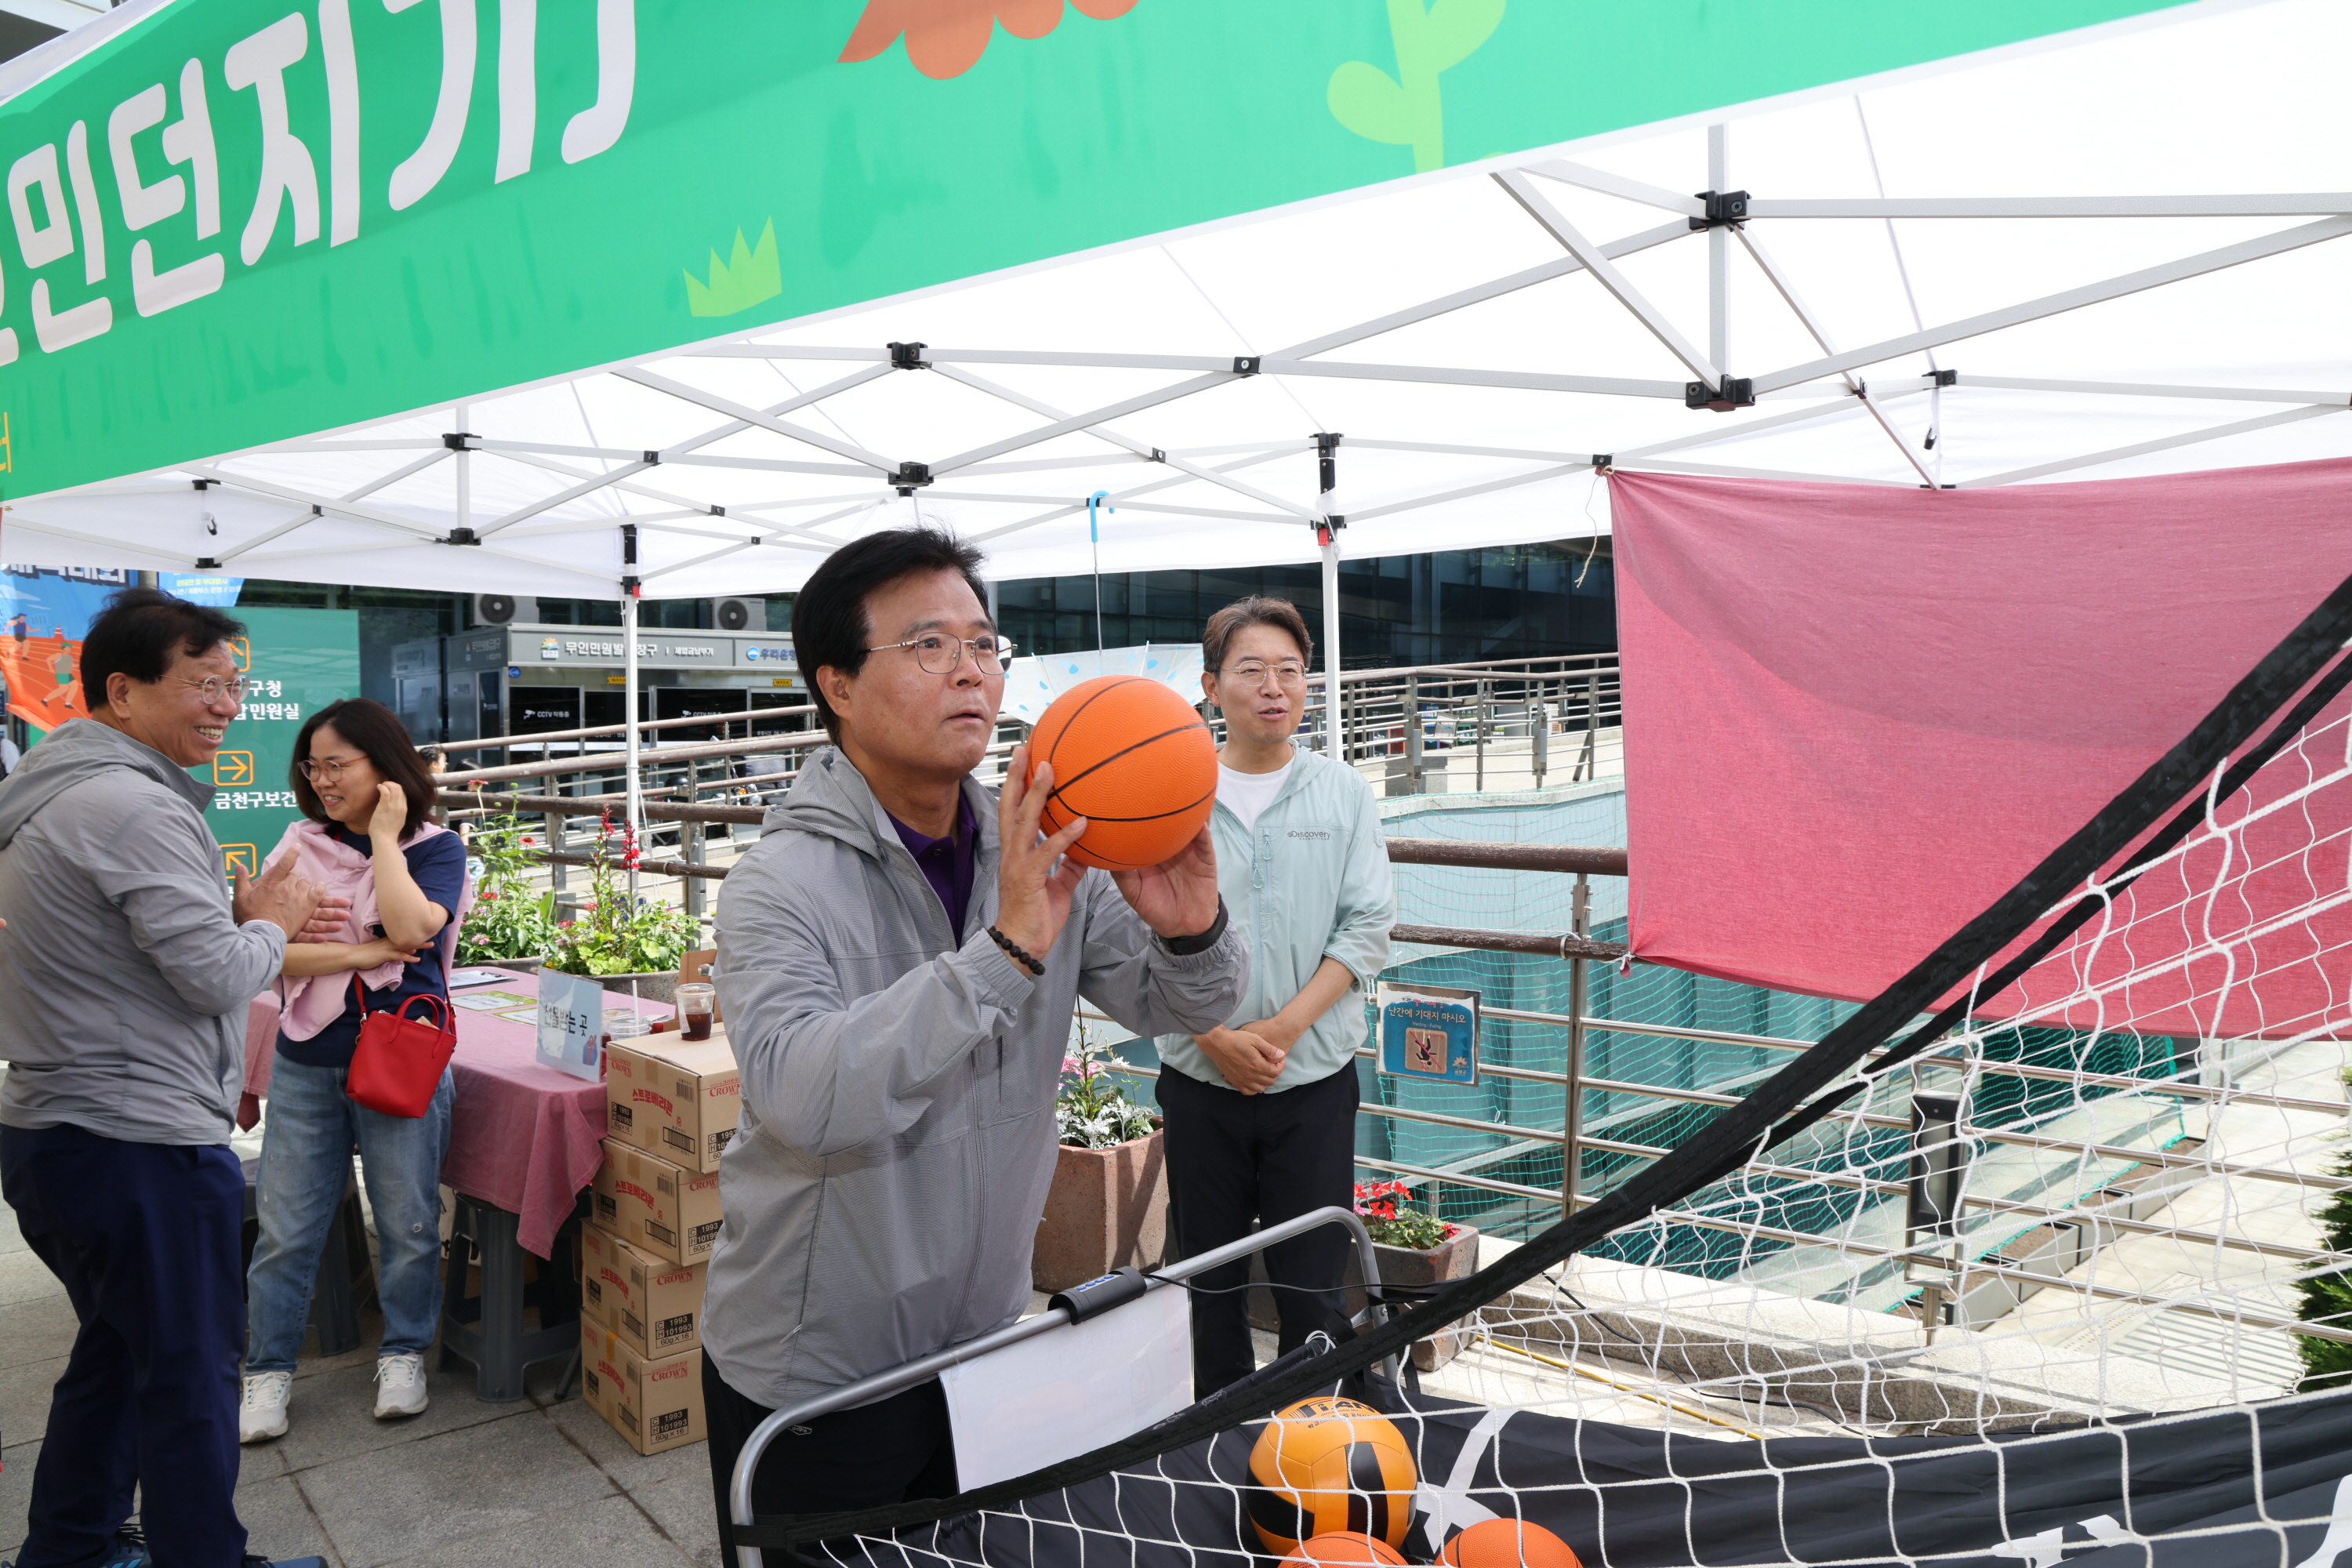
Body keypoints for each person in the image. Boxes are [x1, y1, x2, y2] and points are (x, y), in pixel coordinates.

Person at [703, 527, 1247, 1558]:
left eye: (984, 645)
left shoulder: (1041, 842)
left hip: (988, 1344)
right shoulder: (779, 883)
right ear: (838, 685)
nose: (970, 671)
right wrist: (1002, 953)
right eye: (927, 646)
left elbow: (1179, 1003)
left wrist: (1192, 927)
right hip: (821, 1370)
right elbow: (805, 1100)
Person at [0, 587, 328, 1568]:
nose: (227, 704)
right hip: (134, 1138)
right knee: (188, 1377)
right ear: (122, 689)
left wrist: (236, 919)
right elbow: (217, 973)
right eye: (203, 683)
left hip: (59, 1130)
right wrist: (269, 916)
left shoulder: (55, 790)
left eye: (235, 684)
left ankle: (70, 1545)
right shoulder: (132, 802)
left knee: (112, 1357)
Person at [1155, 596, 1395, 1397]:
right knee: (1207, 1281)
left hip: (1313, 1081)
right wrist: (1216, 1033)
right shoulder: (1169, 791)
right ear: (1211, 686)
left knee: (1313, 1288)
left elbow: (1367, 925)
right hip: (1199, 1079)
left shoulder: (1343, 793)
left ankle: (1310, 1447)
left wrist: (1286, 1027)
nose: (1275, 687)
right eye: (1252, 669)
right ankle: (1216, 1441)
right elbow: (1135, 932)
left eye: (1290, 671)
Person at [238, 699, 472, 1443]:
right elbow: (268, 949)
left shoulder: (436, 849)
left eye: (337, 763)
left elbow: (409, 928)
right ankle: (266, 1371)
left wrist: (380, 841)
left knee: (406, 1221)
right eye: (313, 765)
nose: (322, 779)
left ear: (385, 764)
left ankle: (403, 1353)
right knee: (285, 1227)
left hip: (400, 1058)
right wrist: (364, 954)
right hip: (307, 1058)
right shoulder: (295, 845)